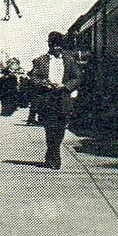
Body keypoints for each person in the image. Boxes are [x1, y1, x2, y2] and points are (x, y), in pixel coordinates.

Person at [28, 32, 80, 170]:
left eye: (59, 46)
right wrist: (45, 83)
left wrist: (65, 85)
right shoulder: (40, 61)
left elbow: (77, 77)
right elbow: (33, 77)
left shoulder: (69, 60)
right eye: (54, 46)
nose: (57, 49)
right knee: (50, 128)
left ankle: (52, 151)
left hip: (63, 97)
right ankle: (54, 155)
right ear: (49, 45)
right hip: (47, 98)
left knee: (60, 128)